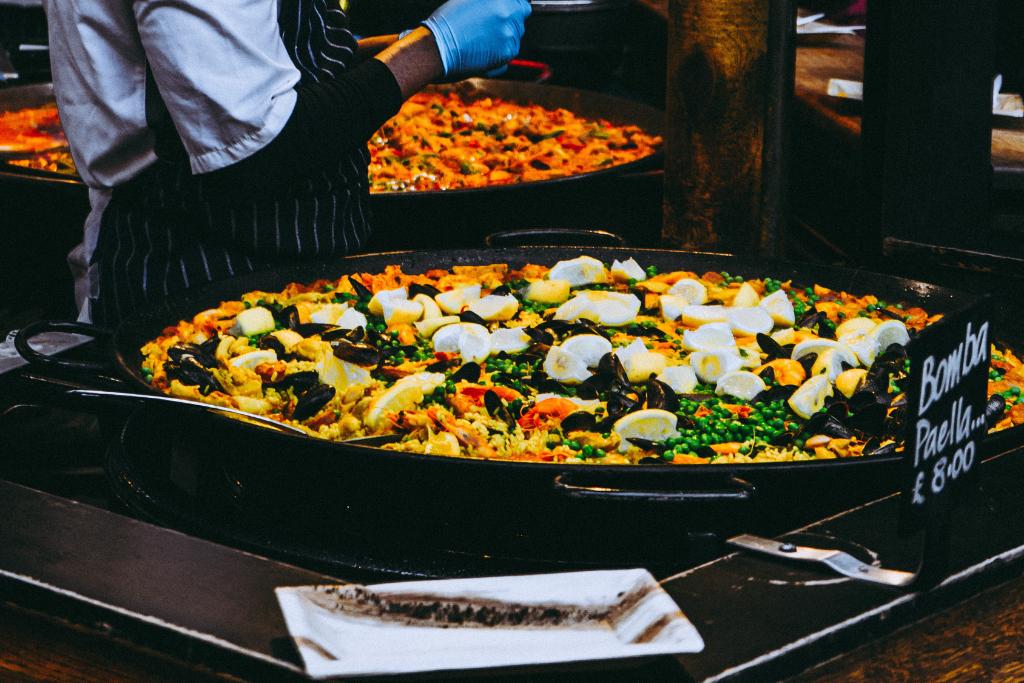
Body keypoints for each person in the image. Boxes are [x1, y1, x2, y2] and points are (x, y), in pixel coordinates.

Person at [41, 0, 531, 325]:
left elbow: (248, 63)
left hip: (282, 273)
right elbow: (255, 151)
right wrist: (431, 50)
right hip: (195, 275)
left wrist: (400, 47)